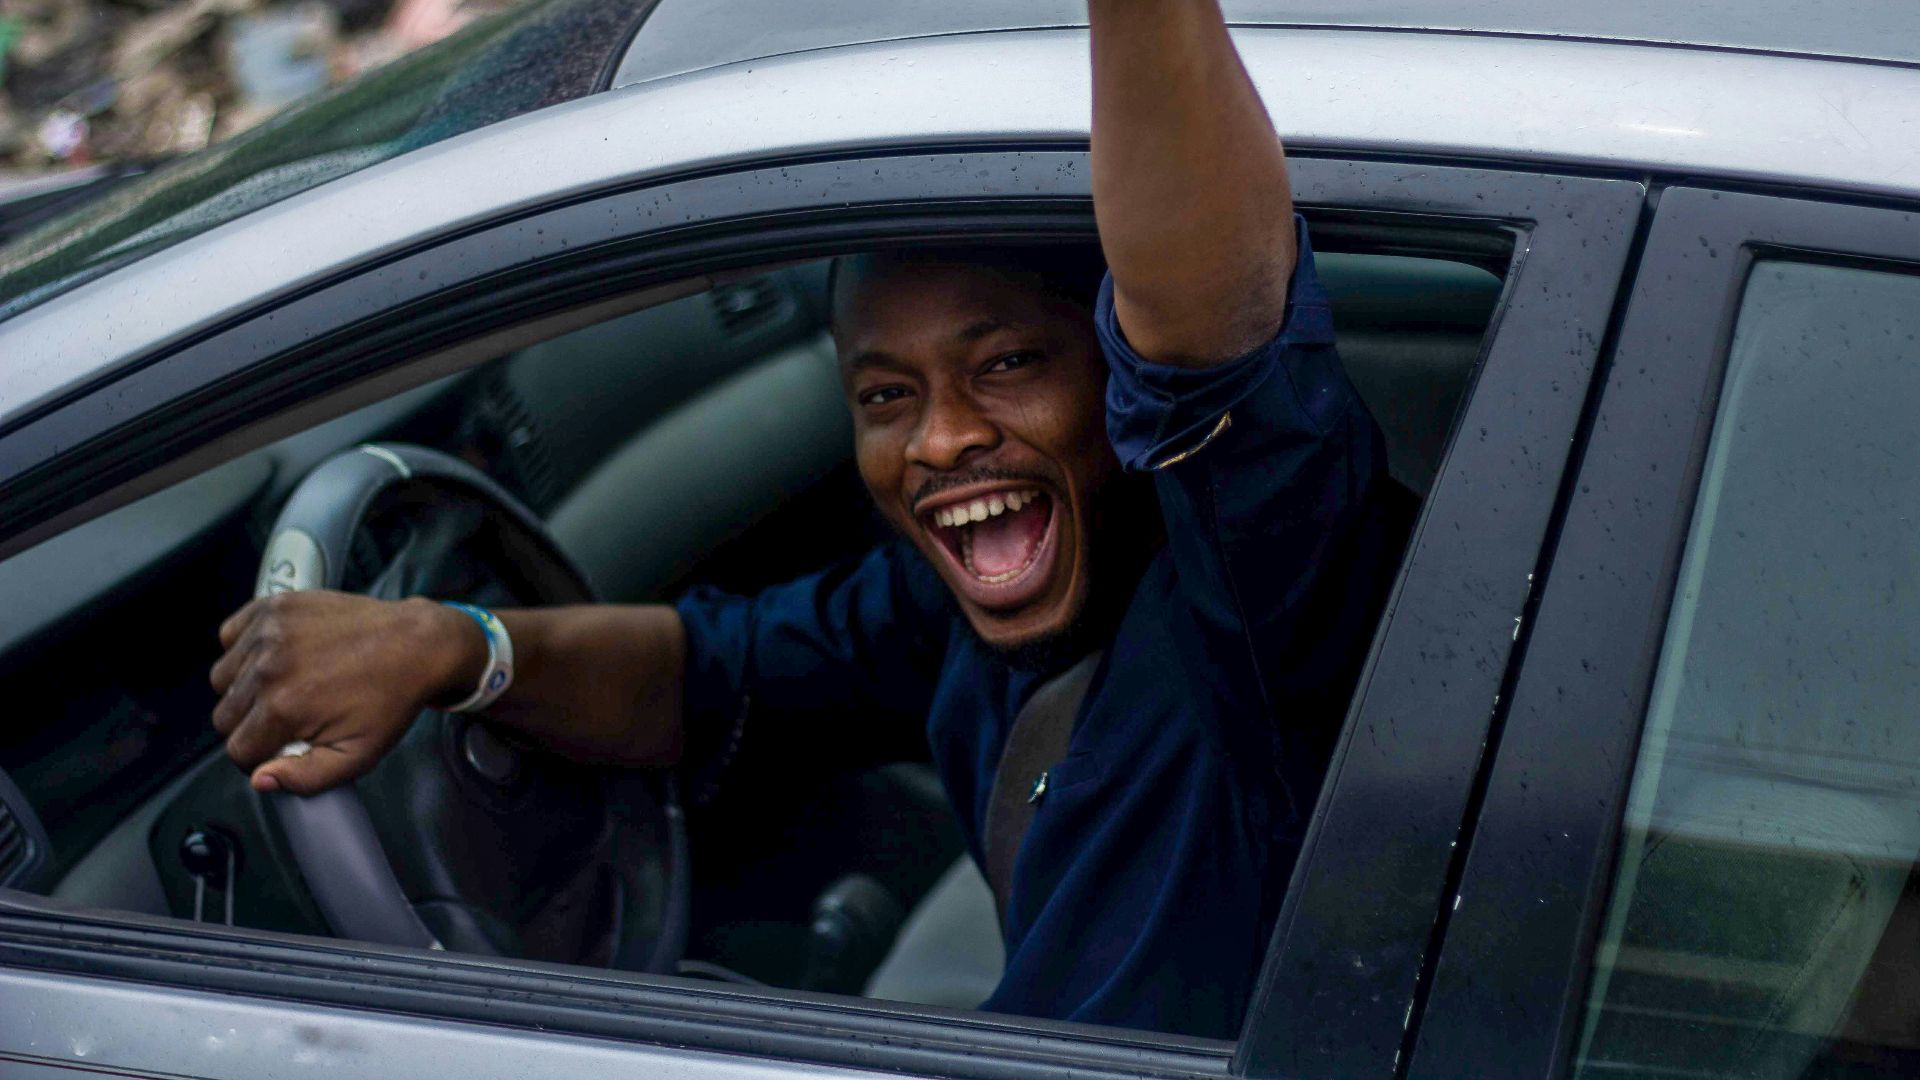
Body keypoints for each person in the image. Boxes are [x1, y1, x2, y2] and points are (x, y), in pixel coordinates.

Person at [209, 0, 1409, 1039]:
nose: (939, 441)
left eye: (1005, 366)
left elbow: (1217, 330)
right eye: (887, 396)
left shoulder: (1256, 592)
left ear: (1114, 365)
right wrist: (456, 648)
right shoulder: (957, 604)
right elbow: (718, 674)